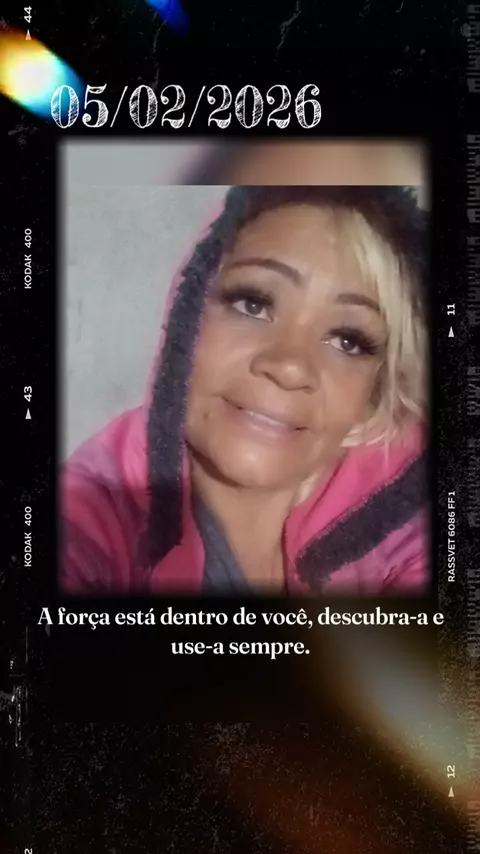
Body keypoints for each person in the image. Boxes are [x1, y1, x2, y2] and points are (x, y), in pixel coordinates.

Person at [60, 185, 429, 596]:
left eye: (348, 340)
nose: (290, 366)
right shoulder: (90, 512)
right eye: (252, 303)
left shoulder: (400, 536)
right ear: (187, 315)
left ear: (373, 394)